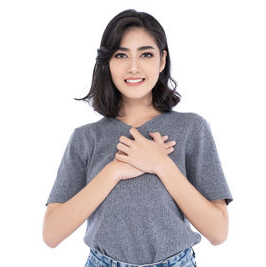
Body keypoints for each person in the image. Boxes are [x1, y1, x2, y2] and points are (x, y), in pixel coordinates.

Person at [42, 9, 233, 267]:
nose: (133, 67)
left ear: (162, 60)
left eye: (146, 54)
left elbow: (218, 232)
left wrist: (160, 164)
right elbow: (51, 233)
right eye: (121, 55)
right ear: (107, 62)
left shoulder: (191, 128)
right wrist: (114, 171)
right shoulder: (85, 138)